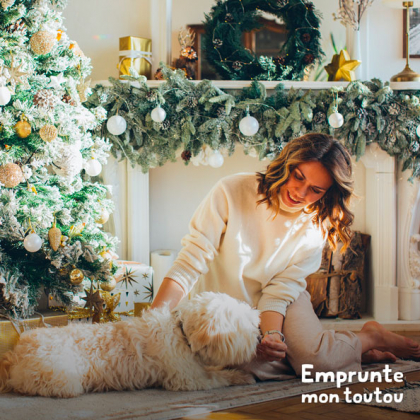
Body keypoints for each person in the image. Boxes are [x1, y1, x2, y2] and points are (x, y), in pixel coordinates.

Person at [151, 133, 420, 380]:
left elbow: (277, 293)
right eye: (298, 176)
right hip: (229, 304)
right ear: (287, 165)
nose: (300, 193)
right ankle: (342, 352)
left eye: (316, 190)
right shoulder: (231, 191)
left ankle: (368, 339)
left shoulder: (315, 228)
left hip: (282, 302)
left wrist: (272, 336)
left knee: (313, 364)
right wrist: (154, 322)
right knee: (234, 363)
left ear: (328, 193)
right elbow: (190, 262)